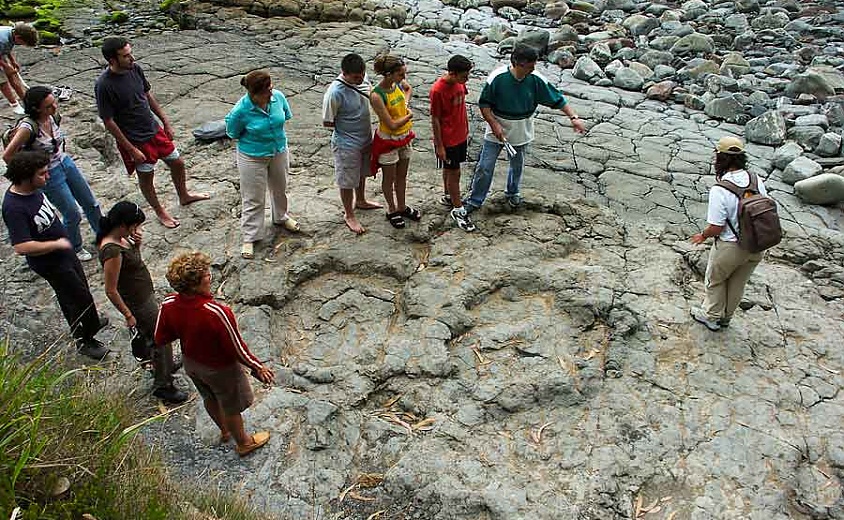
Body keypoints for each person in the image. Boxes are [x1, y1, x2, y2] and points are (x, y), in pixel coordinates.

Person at [155, 252, 274, 456]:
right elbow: (236, 347)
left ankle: (225, 430)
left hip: (192, 363)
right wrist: (257, 366)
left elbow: (160, 336)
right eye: (206, 275)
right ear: (196, 284)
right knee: (231, 405)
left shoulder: (169, 304)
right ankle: (243, 442)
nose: (210, 276)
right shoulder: (216, 312)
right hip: (220, 369)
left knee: (209, 397)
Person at [1, 151, 109, 360]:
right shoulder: (14, 207)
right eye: (42, 174)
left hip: (63, 252)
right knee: (74, 298)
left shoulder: (34, 190)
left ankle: (91, 321)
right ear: (26, 176)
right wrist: (54, 244)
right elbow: (21, 246)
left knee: (82, 290)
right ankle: (84, 340)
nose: (47, 177)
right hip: (50, 261)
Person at [95, 36, 209, 229]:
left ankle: (184, 195)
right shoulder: (104, 85)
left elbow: (147, 96)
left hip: (153, 129)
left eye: (131, 53)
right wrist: (131, 150)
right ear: (112, 60)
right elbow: (108, 121)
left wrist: (165, 122)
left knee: (178, 163)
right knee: (147, 177)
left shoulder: (135, 69)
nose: (132, 58)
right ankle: (160, 211)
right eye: (126, 56)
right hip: (135, 139)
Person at [463, 43, 586, 213]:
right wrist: (494, 124)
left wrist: (574, 118)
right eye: (531, 65)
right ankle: (475, 200)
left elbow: (557, 99)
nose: (534, 68)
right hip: (497, 129)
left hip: (522, 129)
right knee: (485, 166)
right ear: (519, 64)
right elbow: (484, 104)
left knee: (517, 164)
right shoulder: (497, 78)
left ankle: (512, 192)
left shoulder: (536, 79)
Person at [97, 201, 187, 403]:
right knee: (161, 338)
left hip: (144, 296)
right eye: (134, 226)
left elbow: (132, 265)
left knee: (158, 337)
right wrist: (128, 315)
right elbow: (110, 289)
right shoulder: (112, 251)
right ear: (123, 224)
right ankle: (163, 384)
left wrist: (136, 245)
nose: (136, 230)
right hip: (138, 304)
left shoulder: (122, 240)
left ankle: (164, 364)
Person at [3, 86, 103, 261]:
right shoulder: (28, 127)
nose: (54, 108)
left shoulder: (54, 117)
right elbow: (8, 155)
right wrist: (29, 175)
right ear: (36, 108)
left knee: (91, 203)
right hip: (48, 172)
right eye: (48, 106)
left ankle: (103, 236)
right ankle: (74, 247)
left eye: (53, 103)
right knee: (71, 212)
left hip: (64, 162)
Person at [690, 136, 767, 331]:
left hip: (731, 246)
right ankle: (726, 317)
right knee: (738, 283)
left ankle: (711, 316)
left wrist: (703, 236)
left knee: (715, 279)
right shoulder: (755, 179)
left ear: (720, 158)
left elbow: (716, 227)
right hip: (757, 244)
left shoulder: (721, 188)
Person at [225, 70, 300, 259]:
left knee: (280, 188)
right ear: (256, 93)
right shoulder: (241, 110)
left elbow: (285, 116)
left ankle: (281, 217)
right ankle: (250, 236)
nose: (272, 90)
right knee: (253, 197)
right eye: (268, 89)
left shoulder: (279, 97)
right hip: (252, 156)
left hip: (278, 150)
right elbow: (232, 132)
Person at [322, 53, 383, 235]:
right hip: (346, 143)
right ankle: (349, 214)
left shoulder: (363, 80)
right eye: (356, 77)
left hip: (365, 137)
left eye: (362, 75)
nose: (361, 79)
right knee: (347, 179)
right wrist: (347, 130)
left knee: (362, 172)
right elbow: (327, 121)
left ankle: (361, 200)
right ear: (344, 73)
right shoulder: (335, 92)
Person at [369, 53, 418, 229]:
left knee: (402, 175)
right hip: (389, 140)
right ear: (388, 74)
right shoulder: (376, 95)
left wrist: (405, 104)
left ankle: (402, 206)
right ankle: (391, 209)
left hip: (404, 137)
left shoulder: (396, 84)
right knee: (389, 177)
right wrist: (409, 115)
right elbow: (391, 123)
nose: (403, 78)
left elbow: (407, 89)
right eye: (400, 74)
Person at [430, 55, 476, 232]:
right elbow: (435, 119)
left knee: (449, 170)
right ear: (452, 73)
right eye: (464, 76)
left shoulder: (459, 83)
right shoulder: (438, 90)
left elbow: (462, 96)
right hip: (448, 138)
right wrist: (440, 145)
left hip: (461, 134)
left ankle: (449, 195)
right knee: (454, 171)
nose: (467, 79)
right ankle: (458, 209)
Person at [0, 23, 37, 115]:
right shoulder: (2, 39)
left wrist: (12, 61)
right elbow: (3, 45)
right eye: (23, 43)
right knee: (2, 82)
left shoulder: (12, 32)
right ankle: (14, 105)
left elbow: (7, 48)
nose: (22, 45)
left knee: (12, 75)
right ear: (18, 37)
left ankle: (25, 100)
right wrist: (5, 66)